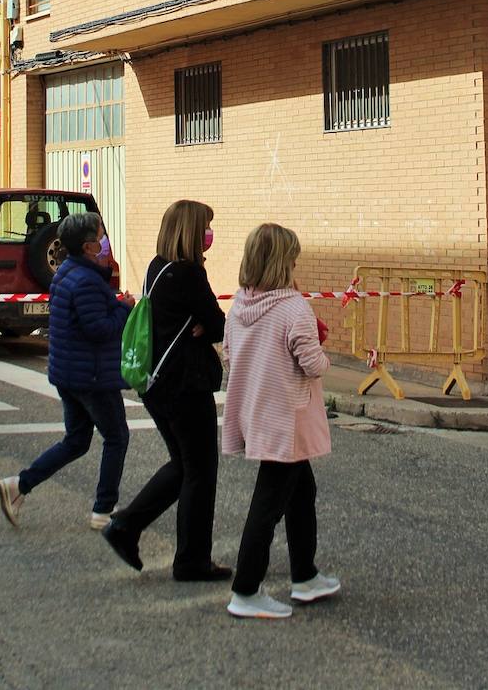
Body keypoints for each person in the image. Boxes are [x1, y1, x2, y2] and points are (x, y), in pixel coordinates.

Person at [103, 199, 228, 582]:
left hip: (157, 384)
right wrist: (206, 326)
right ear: (192, 232)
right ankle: (191, 560)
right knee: (200, 471)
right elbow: (218, 324)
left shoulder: (159, 268)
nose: (210, 235)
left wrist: (204, 325)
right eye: (206, 227)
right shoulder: (189, 274)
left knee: (183, 465)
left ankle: (126, 525)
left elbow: (200, 321)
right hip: (184, 384)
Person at [223, 222, 339, 620]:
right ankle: (246, 590)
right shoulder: (293, 307)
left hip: (257, 411)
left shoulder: (239, 305)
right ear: (283, 263)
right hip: (290, 417)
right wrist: (325, 354)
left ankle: (305, 575)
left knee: (301, 493)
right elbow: (312, 363)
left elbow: (229, 355)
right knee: (268, 505)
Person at [0, 212, 133, 530]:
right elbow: (98, 328)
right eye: (100, 236)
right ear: (88, 246)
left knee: (76, 440)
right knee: (116, 437)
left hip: (69, 371)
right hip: (92, 375)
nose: (104, 242)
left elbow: (84, 318)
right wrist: (124, 310)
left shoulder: (68, 273)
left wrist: (113, 302)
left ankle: (19, 486)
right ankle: (103, 511)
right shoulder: (86, 280)